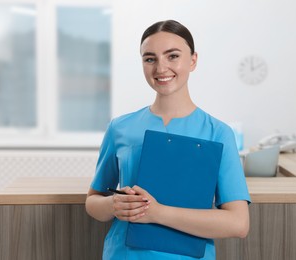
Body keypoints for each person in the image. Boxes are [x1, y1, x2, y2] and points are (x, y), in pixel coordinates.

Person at [85, 20, 250, 260]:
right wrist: (112, 205)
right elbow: (93, 201)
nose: (161, 68)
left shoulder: (218, 133)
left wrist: (158, 213)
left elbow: (238, 223)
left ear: (193, 60)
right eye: (150, 59)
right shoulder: (120, 127)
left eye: (172, 56)